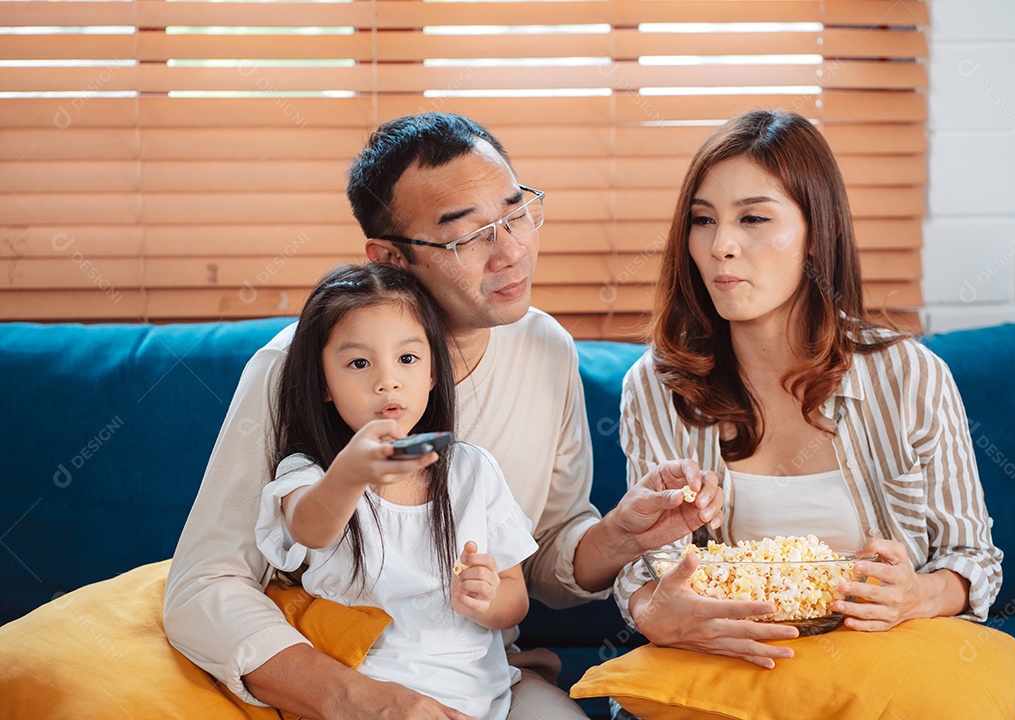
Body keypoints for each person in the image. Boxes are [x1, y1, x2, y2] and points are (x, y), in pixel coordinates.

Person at [164, 112, 723, 720]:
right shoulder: (293, 370)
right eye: (466, 237)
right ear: (390, 258)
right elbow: (202, 587)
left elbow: (537, 561)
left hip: (486, 678)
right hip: (344, 676)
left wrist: (618, 536)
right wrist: (363, 702)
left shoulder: (545, 349)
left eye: (514, 215)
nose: (510, 252)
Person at [613, 109, 1004, 671]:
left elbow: (975, 560)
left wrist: (919, 594)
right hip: (732, 668)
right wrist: (654, 609)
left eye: (752, 219)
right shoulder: (656, 386)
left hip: (880, 665)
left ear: (820, 233)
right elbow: (646, 568)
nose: (721, 244)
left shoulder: (909, 375)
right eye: (703, 220)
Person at [256, 262, 537, 720]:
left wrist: (488, 599)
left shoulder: (473, 471)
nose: (387, 380)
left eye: (407, 359)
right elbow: (309, 528)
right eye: (359, 363)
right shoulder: (311, 473)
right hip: (365, 700)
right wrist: (350, 474)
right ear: (323, 384)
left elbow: (515, 597)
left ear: (431, 372)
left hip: (479, 700)